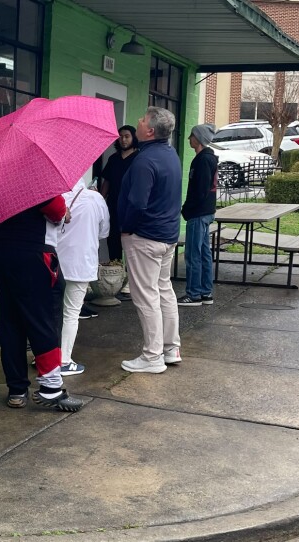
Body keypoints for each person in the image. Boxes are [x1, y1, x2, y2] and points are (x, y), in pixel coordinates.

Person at [0, 195, 85, 412]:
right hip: (33, 251)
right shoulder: (32, 175)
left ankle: (16, 389)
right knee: (45, 317)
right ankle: (51, 387)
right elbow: (54, 208)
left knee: (10, 317)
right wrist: (64, 212)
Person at [118, 107, 183, 374]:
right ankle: (170, 349)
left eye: (142, 119)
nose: (138, 121)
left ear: (150, 130)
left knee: (146, 296)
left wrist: (126, 228)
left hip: (144, 237)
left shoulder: (145, 161)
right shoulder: (170, 155)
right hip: (166, 235)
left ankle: (152, 356)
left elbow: (137, 203)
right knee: (163, 291)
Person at [55, 181, 110, 377]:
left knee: (52, 312)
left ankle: (45, 356)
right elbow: (104, 232)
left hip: (56, 261)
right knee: (71, 313)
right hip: (81, 262)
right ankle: (63, 361)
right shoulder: (95, 198)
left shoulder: (56, 197)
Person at [177, 124, 218, 307]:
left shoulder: (202, 160)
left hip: (199, 213)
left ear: (199, 138)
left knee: (193, 254)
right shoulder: (208, 158)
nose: (189, 139)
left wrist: (186, 209)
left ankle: (193, 294)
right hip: (206, 212)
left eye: (192, 135)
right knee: (204, 254)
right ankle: (205, 292)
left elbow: (199, 191)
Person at [99, 125, 138, 263]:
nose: (123, 139)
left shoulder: (138, 159)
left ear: (134, 137)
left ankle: (130, 274)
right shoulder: (113, 159)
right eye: (121, 136)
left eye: (127, 136)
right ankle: (116, 270)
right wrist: (100, 200)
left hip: (131, 207)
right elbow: (107, 182)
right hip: (113, 205)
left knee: (130, 241)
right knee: (113, 239)